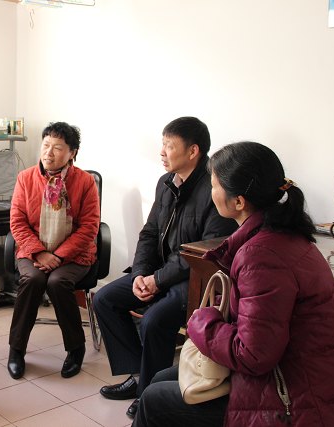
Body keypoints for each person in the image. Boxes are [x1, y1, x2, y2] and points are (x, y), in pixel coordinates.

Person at [134, 141, 334, 427]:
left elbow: (252, 355)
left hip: (292, 399)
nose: (210, 193)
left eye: (214, 186)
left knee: (154, 399)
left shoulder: (261, 256)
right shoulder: (286, 235)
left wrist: (202, 322)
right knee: (162, 378)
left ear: (238, 202)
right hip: (303, 378)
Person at [93, 117, 238, 418]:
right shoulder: (166, 183)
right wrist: (139, 274)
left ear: (193, 151)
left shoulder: (214, 189)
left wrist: (157, 280)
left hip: (194, 278)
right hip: (160, 272)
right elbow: (149, 233)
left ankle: (150, 393)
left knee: (154, 320)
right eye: (163, 144)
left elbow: (205, 252)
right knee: (104, 299)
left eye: (169, 146)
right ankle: (138, 375)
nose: (162, 152)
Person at [7, 122, 100, 379]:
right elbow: (17, 222)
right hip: (33, 251)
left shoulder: (85, 182)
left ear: (72, 153)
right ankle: (16, 349)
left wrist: (59, 255)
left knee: (58, 282)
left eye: (58, 148)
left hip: (74, 254)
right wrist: (39, 253)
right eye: (46, 145)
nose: (49, 152)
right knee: (33, 279)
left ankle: (76, 349)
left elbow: (90, 227)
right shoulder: (25, 178)